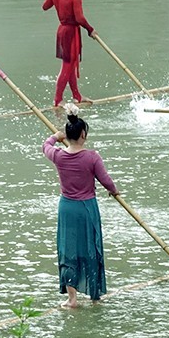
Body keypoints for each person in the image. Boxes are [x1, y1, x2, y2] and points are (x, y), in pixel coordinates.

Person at [42, 106, 118, 307]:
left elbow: (45, 146)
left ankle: (72, 298)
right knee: (91, 248)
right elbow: (105, 180)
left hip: (67, 208)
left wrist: (55, 136)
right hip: (86, 208)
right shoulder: (92, 157)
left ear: (67, 134)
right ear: (83, 134)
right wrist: (114, 191)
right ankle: (94, 294)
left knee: (68, 250)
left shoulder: (58, 155)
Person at [42, 0, 98, 107]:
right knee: (67, 65)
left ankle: (76, 96)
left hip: (62, 30)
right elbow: (79, 18)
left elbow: (45, 6)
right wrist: (90, 30)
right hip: (71, 33)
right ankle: (58, 99)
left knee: (71, 63)